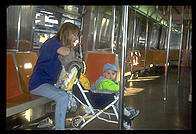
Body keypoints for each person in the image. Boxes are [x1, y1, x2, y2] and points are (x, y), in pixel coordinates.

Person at [29, 22, 81, 130]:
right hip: (39, 84)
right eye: (74, 34)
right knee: (62, 97)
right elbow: (66, 52)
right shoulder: (53, 43)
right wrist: (74, 46)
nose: (76, 37)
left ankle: (57, 120)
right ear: (67, 33)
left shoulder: (57, 44)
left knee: (69, 91)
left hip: (49, 84)